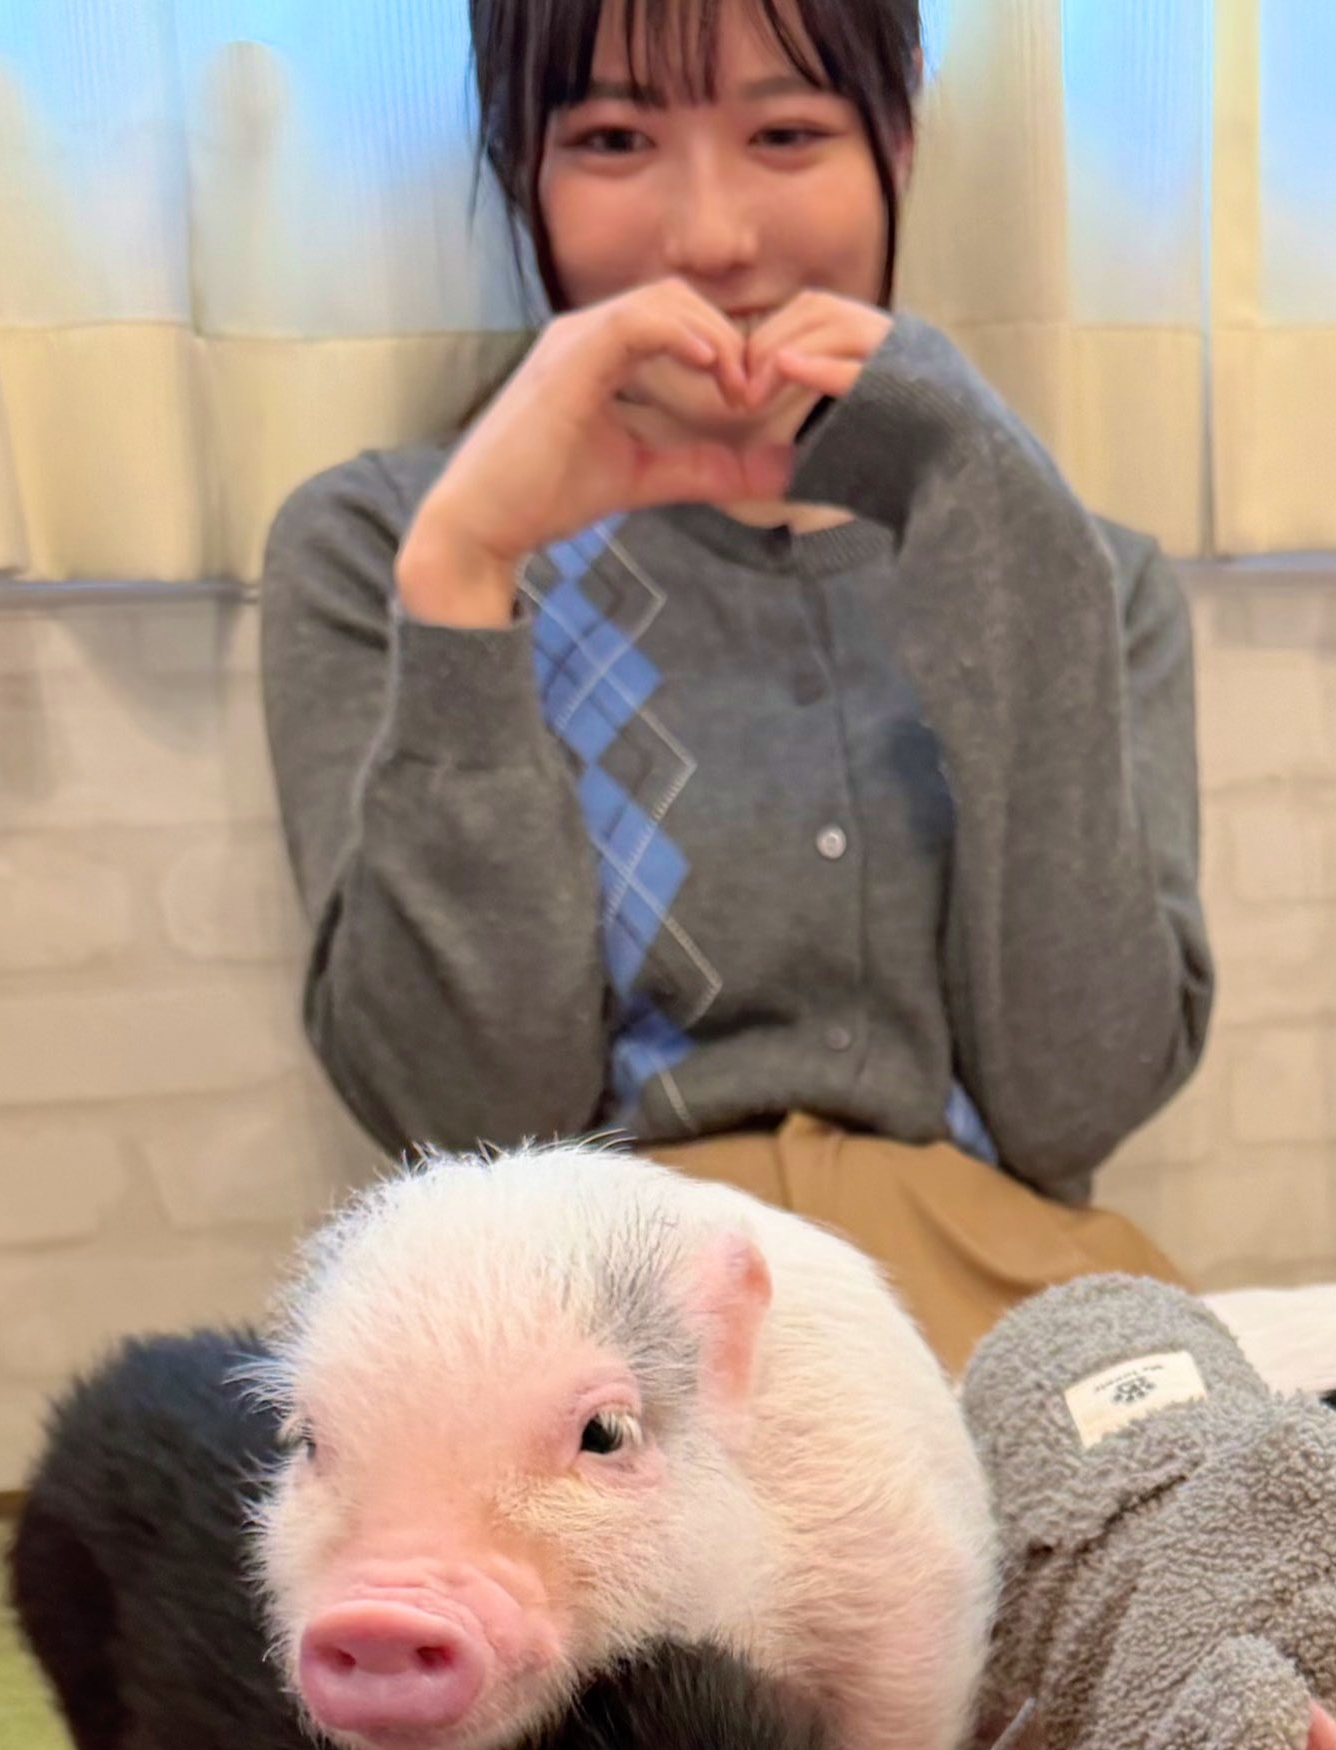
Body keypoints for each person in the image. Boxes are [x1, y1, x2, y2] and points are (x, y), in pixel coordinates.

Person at [260, 0, 1211, 1367]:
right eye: (613, 137)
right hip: (593, 1348)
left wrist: (1002, 529)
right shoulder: (392, 546)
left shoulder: (1083, 570)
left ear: (894, 140)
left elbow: (1079, 1099)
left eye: (786, 133)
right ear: (523, 164)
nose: (710, 238)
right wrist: (466, 581)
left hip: (994, 1323)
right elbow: (467, 1129)